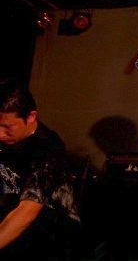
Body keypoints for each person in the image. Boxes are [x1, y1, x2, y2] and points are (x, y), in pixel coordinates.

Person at [0, 79, 80, 260]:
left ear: (31, 117)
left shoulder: (48, 148)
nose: (0, 134)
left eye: (7, 127)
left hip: (48, 237)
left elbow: (26, 213)